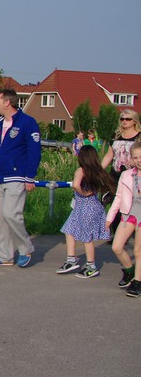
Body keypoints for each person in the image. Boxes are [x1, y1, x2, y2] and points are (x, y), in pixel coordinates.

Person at [0, 89, 42, 268]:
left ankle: (25, 248)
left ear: (7, 102)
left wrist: (30, 176)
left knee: (11, 214)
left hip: (17, 176)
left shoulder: (27, 122)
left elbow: (34, 151)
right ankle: (4, 255)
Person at [56, 145, 115, 278]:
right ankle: (71, 259)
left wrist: (83, 193)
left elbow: (76, 185)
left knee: (86, 237)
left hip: (85, 206)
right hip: (91, 207)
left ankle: (91, 266)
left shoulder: (81, 170)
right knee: (69, 229)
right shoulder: (97, 171)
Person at [107, 140, 141, 295]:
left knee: (138, 251)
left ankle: (138, 282)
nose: (139, 160)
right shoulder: (126, 175)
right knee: (117, 246)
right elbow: (119, 197)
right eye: (136, 157)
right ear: (131, 158)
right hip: (129, 214)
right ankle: (129, 270)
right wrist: (110, 217)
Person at [101, 110, 141, 235]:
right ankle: (116, 232)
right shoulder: (116, 135)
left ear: (134, 121)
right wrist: (98, 170)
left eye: (127, 119)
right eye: (122, 119)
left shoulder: (139, 137)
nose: (124, 121)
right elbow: (109, 155)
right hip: (115, 173)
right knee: (115, 201)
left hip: (133, 174)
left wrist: (136, 160)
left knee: (130, 202)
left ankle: (132, 228)